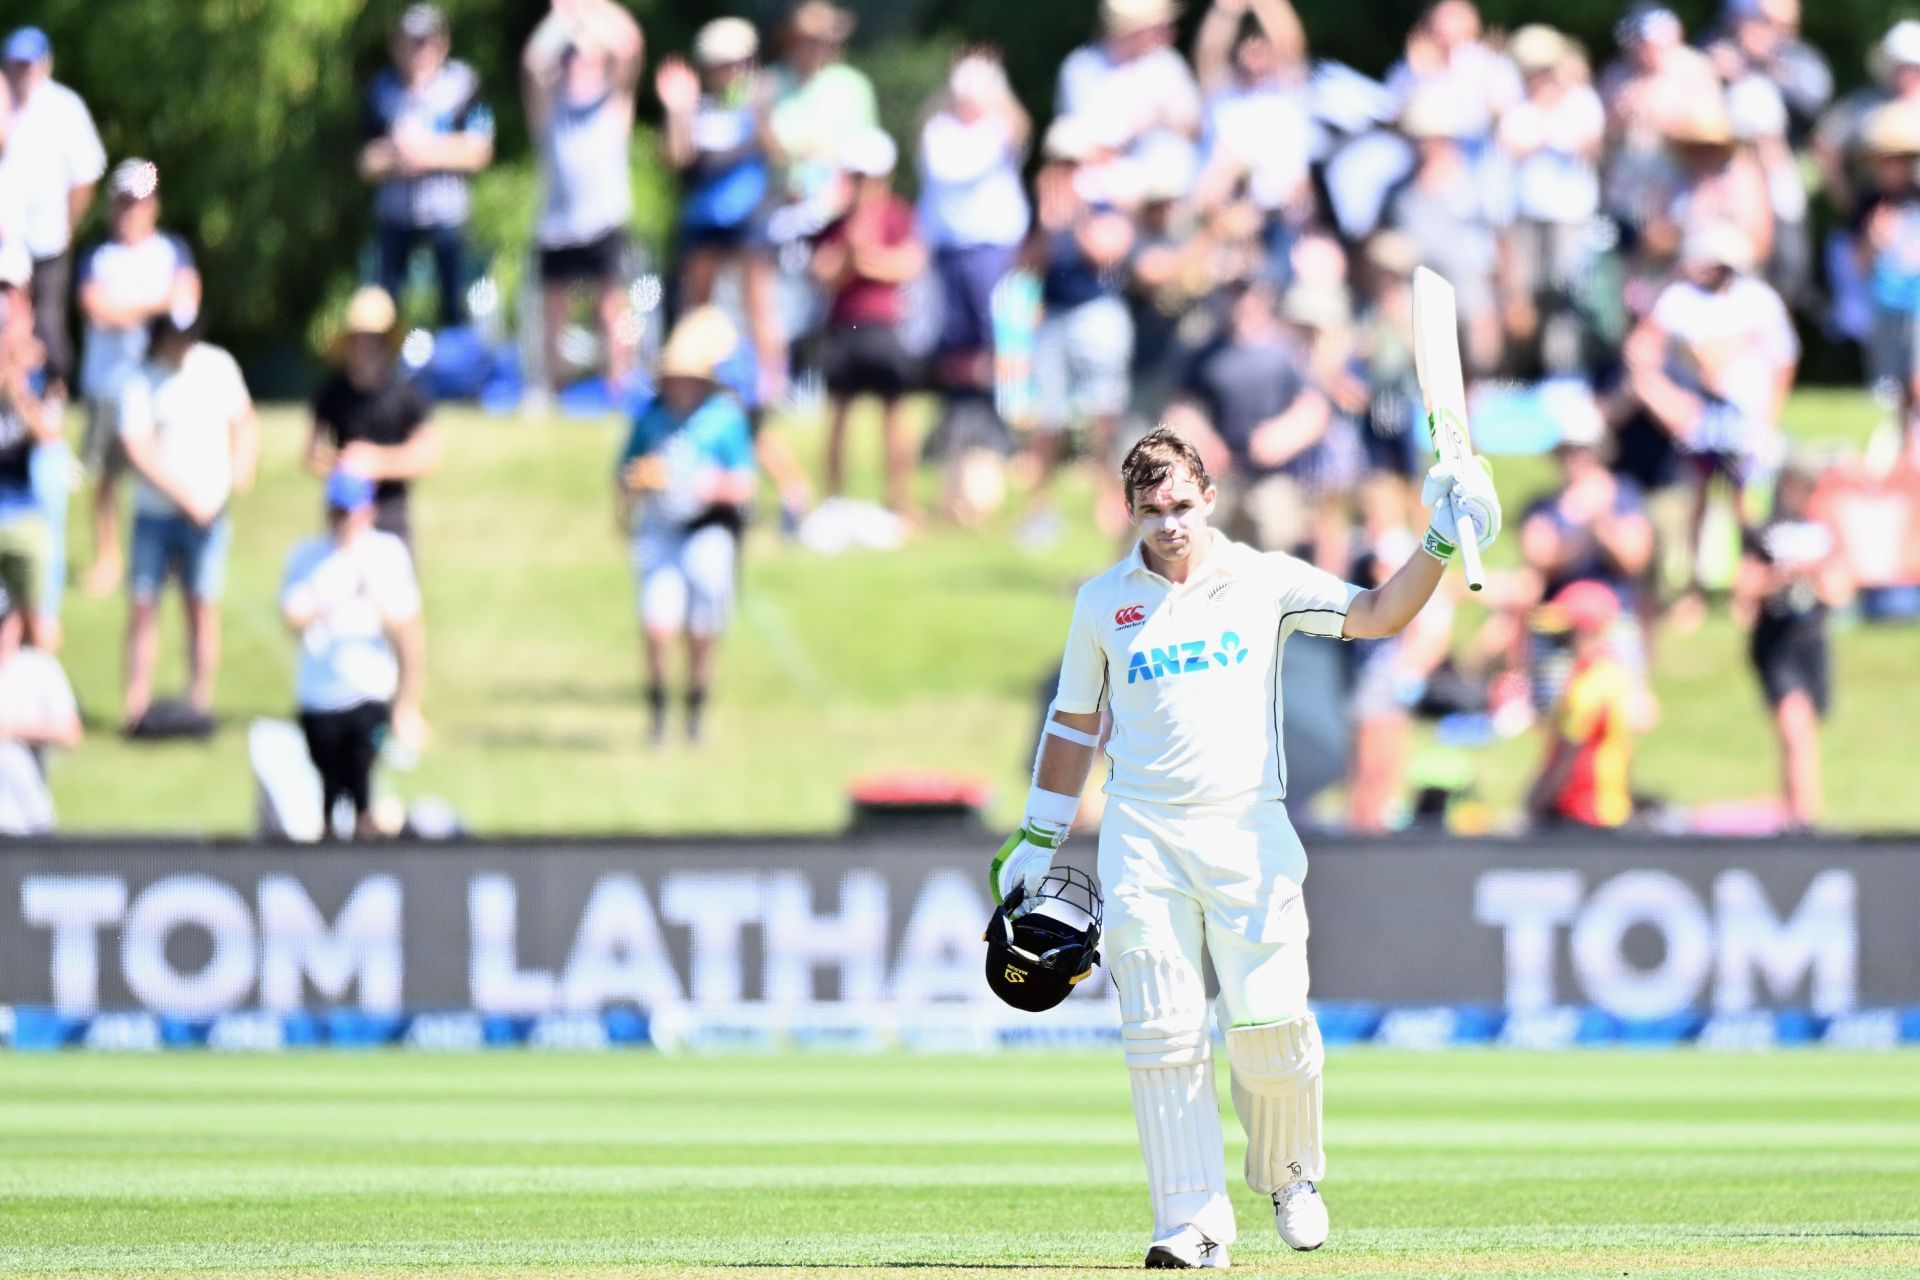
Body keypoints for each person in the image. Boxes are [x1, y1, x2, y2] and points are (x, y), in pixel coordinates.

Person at [990, 426, 1501, 1264]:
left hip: (1246, 831)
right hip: (1142, 835)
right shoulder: (1101, 602)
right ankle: (1191, 1222)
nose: (1169, 525)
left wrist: (1440, 539)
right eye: (1152, 510)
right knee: (1161, 1029)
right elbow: (1074, 723)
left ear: (1210, 499)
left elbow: (1377, 614)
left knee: (1270, 1026)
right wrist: (1041, 831)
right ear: (1129, 510)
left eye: (1182, 506)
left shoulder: (1264, 581)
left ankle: (1291, 1173)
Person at [1624, 221, 1798, 598]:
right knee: (1698, 500)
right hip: (1701, 424)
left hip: (1745, 421)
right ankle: (1694, 588)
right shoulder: (1679, 300)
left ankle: (1745, 589)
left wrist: (1768, 417)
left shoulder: (1758, 300)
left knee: (1747, 505)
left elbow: (1783, 359)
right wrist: (1667, 398)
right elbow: (1643, 352)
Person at [616, 307, 756, 745]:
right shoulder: (650, 417)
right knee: (658, 628)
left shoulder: (724, 418)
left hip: (705, 531)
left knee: (701, 632)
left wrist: (705, 486)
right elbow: (625, 470)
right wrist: (637, 483)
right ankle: (657, 713)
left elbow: (745, 484)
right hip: (659, 529)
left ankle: (695, 711)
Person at [117, 307, 259, 732]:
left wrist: (238, 472)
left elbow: (244, 421)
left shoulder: (217, 365)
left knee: (200, 606)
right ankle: (135, 708)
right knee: (144, 606)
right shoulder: (141, 380)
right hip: (156, 513)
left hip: (209, 513)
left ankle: (198, 704)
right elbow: (138, 447)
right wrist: (186, 497)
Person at [76, 159, 201, 597]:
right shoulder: (98, 256)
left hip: (157, 388)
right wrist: (155, 303)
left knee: (161, 471)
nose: (132, 210)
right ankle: (108, 558)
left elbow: (188, 299)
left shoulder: (172, 251)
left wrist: (129, 306)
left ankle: (163, 558)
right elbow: (98, 309)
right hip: (106, 384)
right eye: (125, 202)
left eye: (140, 202)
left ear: (154, 206)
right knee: (106, 478)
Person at [281, 469, 427, 840]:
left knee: (367, 800)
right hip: (319, 700)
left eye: (353, 512)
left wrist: (407, 704)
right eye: (339, 512)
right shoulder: (308, 557)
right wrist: (329, 595)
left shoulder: (386, 554)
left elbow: (408, 630)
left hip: (368, 696)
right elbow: (293, 617)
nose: (346, 521)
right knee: (328, 802)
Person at [657, 19, 784, 402]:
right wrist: (676, 111)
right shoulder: (697, 107)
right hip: (703, 219)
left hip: (750, 217)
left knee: (759, 304)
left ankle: (772, 387)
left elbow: (777, 153)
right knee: (696, 308)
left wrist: (761, 115)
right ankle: (692, 381)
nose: (726, 72)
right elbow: (677, 158)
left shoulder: (761, 98)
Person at [523, 0, 646, 396]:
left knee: (611, 308)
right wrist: (562, 20)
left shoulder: (614, 104)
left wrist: (592, 8)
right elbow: (532, 61)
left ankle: (618, 387)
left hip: (603, 222)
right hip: (557, 225)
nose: (574, 62)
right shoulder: (548, 108)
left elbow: (630, 46)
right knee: (552, 314)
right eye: (569, 55)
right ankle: (552, 391)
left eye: (583, 55)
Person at [1023, 117, 1137, 542]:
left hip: (1095, 314)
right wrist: (1046, 223)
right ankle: (1039, 510)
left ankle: (1111, 505)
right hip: (1054, 316)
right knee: (1046, 419)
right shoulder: (1044, 212)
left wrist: (1072, 215)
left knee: (1103, 417)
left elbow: (1106, 251)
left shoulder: (1101, 206)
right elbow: (1026, 266)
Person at [810, 128, 927, 517]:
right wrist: (851, 255)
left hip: (885, 326)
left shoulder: (898, 216)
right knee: (838, 415)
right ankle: (833, 497)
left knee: (894, 414)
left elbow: (910, 264)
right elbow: (823, 274)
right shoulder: (836, 222)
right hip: (844, 327)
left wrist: (866, 259)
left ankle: (899, 498)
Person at [358, 3, 495, 326]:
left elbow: (480, 151)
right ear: (396, 45)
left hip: (447, 215)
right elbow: (365, 162)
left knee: (453, 304)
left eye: (426, 40)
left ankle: (458, 366)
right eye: (411, 41)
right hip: (395, 217)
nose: (419, 49)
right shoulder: (381, 92)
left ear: (442, 42)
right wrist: (397, 153)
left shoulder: (464, 85)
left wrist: (424, 151)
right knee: (385, 308)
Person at [1733, 459, 1849, 830]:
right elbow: (1743, 598)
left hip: (1811, 641)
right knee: (1793, 727)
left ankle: (1801, 813)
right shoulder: (1765, 534)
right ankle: (1801, 817)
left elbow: (1840, 593)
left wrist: (1811, 570)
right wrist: (1778, 578)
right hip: (1776, 642)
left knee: (1803, 735)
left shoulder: (1824, 534)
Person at [916, 51, 1031, 405]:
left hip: (992, 248)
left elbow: (1019, 129)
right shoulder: (939, 130)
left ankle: (1002, 410)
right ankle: (961, 408)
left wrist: (997, 91)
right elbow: (945, 167)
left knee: (998, 333)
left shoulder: (1000, 127)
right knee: (955, 336)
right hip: (949, 249)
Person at [0, 26, 105, 401]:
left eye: (30, 64)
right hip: (5, 244)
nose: (23, 71)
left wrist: (68, 226)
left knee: (46, 328)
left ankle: (51, 402)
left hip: (46, 241)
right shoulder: (4, 106)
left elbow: (86, 174)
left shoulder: (64, 108)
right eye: (16, 64)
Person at [308, 286, 442, 546]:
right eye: (359, 339)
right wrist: (343, 464)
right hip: (344, 513)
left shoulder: (407, 393)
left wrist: (376, 462)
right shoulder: (332, 393)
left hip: (391, 513)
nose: (365, 347)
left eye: (372, 339)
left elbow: (428, 455)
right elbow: (312, 454)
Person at [1525, 580, 1636, 829]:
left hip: (1584, 813)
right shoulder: (1610, 673)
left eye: (1564, 632)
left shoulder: (1590, 684)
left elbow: (1568, 751)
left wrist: (1538, 802)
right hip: (1605, 810)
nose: (1557, 641)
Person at [0, 243, 61, 651]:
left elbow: (48, 432)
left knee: (38, 627)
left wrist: (16, 385)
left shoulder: (42, 364)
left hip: (24, 507)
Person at [768, 1, 877, 204]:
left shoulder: (854, 86)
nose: (818, 46)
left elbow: (867, 155)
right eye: (809, 39)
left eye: (826, 39)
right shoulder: (769, 82)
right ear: (791, 39)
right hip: (775, 203)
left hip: (836, 206)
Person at [0, 582, 80, 836]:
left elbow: (69, 732)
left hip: (28, 816)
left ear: (16, 622)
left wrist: (13, 727)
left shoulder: (39, 668)